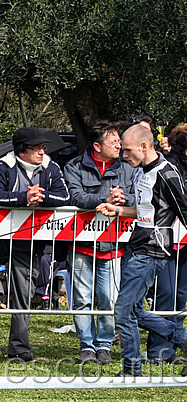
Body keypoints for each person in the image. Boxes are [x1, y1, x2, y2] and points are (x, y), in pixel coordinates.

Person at [97, 124, 187, 377]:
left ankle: (132, 369)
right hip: (136, 245)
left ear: (144, 146)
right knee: (133, 310)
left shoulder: (167, 174)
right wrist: (117, 210)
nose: (123, 156)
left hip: (152, 250)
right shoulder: (140, 172)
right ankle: (181, 338)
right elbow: (146, 210)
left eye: (127, 150)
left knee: (124, 310)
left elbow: (183, 210)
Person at [0, 126, 70, 362]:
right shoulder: (4, 166)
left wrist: (41, 197)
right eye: (36, 148)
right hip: (1, 238)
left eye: (43, 147)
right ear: (22, 151)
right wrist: (24, 199)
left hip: (29, 242)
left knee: (24, 295)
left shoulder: (51, 167)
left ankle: (19, 350)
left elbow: (65, 196)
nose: (42, 152)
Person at [63, 120, 135, 364]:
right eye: (113, 142)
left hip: (114, 245)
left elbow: (139, 194)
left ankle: (104, 344)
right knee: (82, 297)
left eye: (119, 142)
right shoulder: (73, 167)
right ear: (96, 146)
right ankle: (87, 345)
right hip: (81, 244)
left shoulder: (127, 167)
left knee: (109, 298)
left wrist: (123, 199)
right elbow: (75, 196)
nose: (118, 146)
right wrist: (103, 198)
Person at [145, 123, 187, 365]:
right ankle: (159, 350)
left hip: (184, 242)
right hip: (165, 241)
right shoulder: (169, 167)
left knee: (180, 296)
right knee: (166, 295)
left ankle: (172, 348)